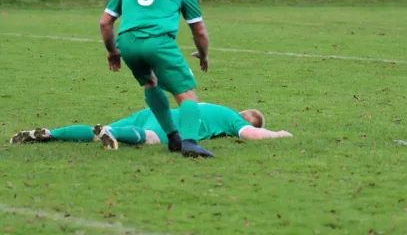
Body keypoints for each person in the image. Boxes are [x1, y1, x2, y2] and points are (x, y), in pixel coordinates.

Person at [99, 0, 213, 159]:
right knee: (187, 93)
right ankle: (190, 142)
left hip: (128, 42)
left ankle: (173, 137)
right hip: (158, 42)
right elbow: (199, 31)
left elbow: (105, 23)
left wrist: (113, 52)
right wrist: (204, 54)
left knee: (150, 83)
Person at [10, 102, 292, 149]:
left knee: (98, 131)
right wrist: (278, 133)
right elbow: (252, 133)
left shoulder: (213, 107)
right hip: (167, 121)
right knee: (150, 139)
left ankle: (51, 133)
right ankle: (111, 133)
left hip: (154, 109)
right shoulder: (234, 120)